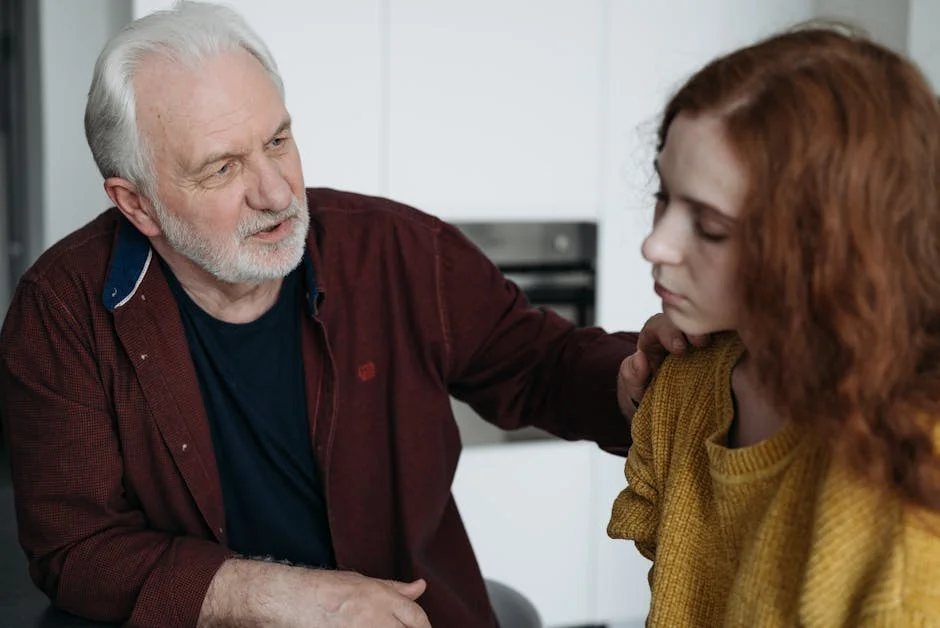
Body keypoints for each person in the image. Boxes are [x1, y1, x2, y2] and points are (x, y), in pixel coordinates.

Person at [0, 2, 687, 626]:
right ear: (137, 204)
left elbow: (540, 365)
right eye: (222, 169)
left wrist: (630, 380)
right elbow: (77, 548)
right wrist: (283, 597)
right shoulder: (61, 313)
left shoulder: (398, 249)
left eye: (277, 141)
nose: (277, 193)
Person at [607, 24, 940, 626]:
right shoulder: (684, 383)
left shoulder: (911, 490)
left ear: (830, 248)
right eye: (664, 193)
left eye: (711, 227)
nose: (655, 245)